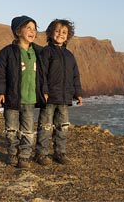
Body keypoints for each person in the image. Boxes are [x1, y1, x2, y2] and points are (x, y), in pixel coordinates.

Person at [0, 15, 45, 168]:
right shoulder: (7, 52)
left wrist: (45, 91)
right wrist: (0, 92)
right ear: (17, 31)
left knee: (28, 130)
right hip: (12, 98)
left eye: (34, 29)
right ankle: (12, 153)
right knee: (11, 129)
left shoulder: (38, 52)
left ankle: (24, 156)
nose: (32, 31)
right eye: (28, 28)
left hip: (30, 99)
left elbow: (44, 74)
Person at [35, 19, 83, 166]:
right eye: (57, 31)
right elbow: (41, 74)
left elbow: (75, 75)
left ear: (68, 36)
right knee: (45, 126)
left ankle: (59, 152)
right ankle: (41, 154)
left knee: (62, 127)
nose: (60, 34)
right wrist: (44, 90)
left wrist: (78, 93)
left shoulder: (69, 55)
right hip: (49, 97)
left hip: (64, 98)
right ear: (50, 32)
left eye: (64, 32)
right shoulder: (46, 51)